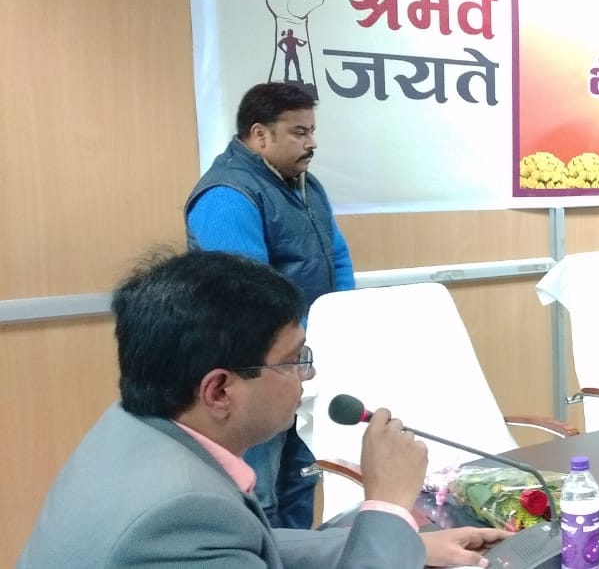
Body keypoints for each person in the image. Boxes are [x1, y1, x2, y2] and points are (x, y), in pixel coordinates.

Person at [18, 251, 509, 568]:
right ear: (219, 391)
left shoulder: (131, 427)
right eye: (294, 360)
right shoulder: (175, 515)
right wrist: (389, 505)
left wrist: (405, 543)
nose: (307, 376)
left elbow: (245, 541)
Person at [186, 82, 353, 528]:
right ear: (260, 134)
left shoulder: (305, 186)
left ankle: (297, 558)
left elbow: (337, 256)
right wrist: (305, 342)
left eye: (312, 131)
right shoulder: (227, 194)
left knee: (301, 477)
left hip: (301, 362)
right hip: (253, 370)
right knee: (260, 494)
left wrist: (340, 324)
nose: (312, 143)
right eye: (299, 132)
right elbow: (252, 296)